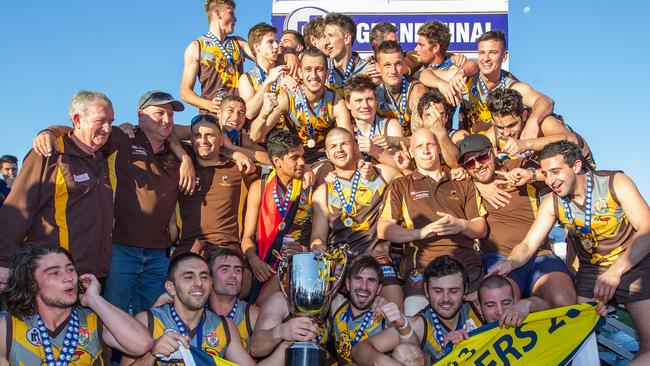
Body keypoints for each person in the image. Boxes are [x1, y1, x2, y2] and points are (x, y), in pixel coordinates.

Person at [490, 140, 650, 364]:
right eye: (545, 174)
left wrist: (615, 272)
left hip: (631, 262)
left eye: (556, 171)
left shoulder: (615, 182)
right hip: (592, 271)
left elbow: (647, 229)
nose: (551, 180)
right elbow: (528, 245)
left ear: (576, 166)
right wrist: (509, 263)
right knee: (574, 338)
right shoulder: (553, 202)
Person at [0, 91, 115, 291]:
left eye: (111, 122)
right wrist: (3, 262)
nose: (107, 128)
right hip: (52, 277)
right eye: (101, 121)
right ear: (78, 120)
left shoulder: (100, 159)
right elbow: (15, 212)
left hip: (91, 280)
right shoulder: (48, 154)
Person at [459, 134, 576, 308]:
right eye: (469, 163)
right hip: (498, 258)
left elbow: (568, 158)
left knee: (564, 301)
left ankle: (532, 305)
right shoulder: (467, 184)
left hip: (539, 254)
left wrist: (532, 174)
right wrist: (478, 185)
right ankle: (531, 306)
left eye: (482, 157)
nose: (477, 166)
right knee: (500, 308)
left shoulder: (519, 166)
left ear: (494, 152)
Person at [378, 128, 487, 316]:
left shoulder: (462, 182)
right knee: (415, 322)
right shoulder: (402, 185)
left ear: (438, 148)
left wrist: (461, 225)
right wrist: (419, 233)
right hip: (422, 267)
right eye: (419, 146)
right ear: (411, 152)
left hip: (466, 265)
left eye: (430, 144)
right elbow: (383, 229)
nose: (426, 150)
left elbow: (481, 228)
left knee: (484, 318)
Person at [0, 245, 152, 365]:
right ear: (32, 284)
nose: (68, 277)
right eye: (55, 273)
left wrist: (94, 299)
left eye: (70, 269)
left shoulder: (95, 320)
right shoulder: (8, 327)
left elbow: (142, 344)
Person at [120, 253, 272, 365]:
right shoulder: (148, 321)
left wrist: (284, 342)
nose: (199, 283)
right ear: (171, 288)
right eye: (188, 277)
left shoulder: (224, 326)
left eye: (204, 276)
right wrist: (152, 354)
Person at [311, 128, 403, 309]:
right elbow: (318, 237)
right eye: (333, 146)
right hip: (342, 263)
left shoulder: (380, 174)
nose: (339, 149)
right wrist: (318, 249)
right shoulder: (323, 192)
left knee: (395, 309)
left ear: (354, 146)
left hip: (378, 259)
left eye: (344, 143)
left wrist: (375, 156)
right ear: (328, 154)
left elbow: (408, 176)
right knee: (316, 309)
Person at [351, 256, 484, 365]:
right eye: (438, 291)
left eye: (453, 291)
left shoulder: (482, 309)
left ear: (465, 291)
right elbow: (359, 349)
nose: (445, 299)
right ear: (426, 290)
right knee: (405, 352)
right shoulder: (418, 324)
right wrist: (384, 363)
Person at [241, 130, 312, 304]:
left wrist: (303, 250)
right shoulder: (260, 187)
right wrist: (254, 260)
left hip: (298, 264)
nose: (302, 162)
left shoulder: (310, 187)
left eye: (302, 156)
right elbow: (247, 237)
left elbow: (320, 237)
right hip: (263, 264)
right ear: (277, 161)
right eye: (294, 158)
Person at [250, 47, 352, 167]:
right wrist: (264, 113)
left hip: (321, 158)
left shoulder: (336, 101)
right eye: (308, 69)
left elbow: (348, 141)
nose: (313, 75)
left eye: (319, 69)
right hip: (292, 157)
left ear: (327, 73)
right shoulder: (287, 97)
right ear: (300, 72)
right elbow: (254, 137)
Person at [458, 30, 554, 138]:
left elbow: (546, 101)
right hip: (470, 147)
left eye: (493, 52)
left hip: (502, 147)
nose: (486, 58)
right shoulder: (465, 78)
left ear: (504, 56)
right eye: (482, 52)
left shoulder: (512, 86)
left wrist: (533, 122)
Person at [180, 0, 250, 115]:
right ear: (218, 13)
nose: (235, 19)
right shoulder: (197, 46)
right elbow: (185, 92)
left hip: (237, 117)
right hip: (211, 118)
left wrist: (289, 56)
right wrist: (208, 105)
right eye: (231, 13)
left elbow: (263, 55)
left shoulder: (238, 42)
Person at [330, 255, 390, 365]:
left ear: (379, 288)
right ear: (348, 284)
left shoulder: (384, 316)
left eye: (371, 281)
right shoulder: (337, 305)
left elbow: (409, 343)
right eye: (358, 279)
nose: (364, 287)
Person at [344, 74, 403, 166]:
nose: (365, 105)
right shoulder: (346, 129)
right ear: (348, 104)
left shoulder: (390, 125)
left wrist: (375, 151)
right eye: (358, 101)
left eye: (369, 99)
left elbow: (401, 165)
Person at [207, 247, 259, 351]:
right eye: (225, 269)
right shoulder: (197, 312)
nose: (233, 275)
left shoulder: (252, 315)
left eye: (238, 270)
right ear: (210, 276)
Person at [374, 41, 428, 136]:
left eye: (398, 64)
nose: (393, 71)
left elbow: (421, 137)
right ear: (378, 67)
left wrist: (395, 142)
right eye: (387, 65)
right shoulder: (372, 90)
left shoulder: (416, 91)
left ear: (404, 65)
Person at [238, 23, 289, 121]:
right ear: (257, 47)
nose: (276, 45)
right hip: (261, 134)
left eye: (276, 41)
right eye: (270, 42)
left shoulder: (286, 71)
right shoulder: (247, 78)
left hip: (287, 134)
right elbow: (248, 113)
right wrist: (268, 82)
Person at [322, 13, 372, 96]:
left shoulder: (369, 71)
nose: (326, 42)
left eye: (331, 35)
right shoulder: (322, 69)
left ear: (347, 38)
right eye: (324, 37)